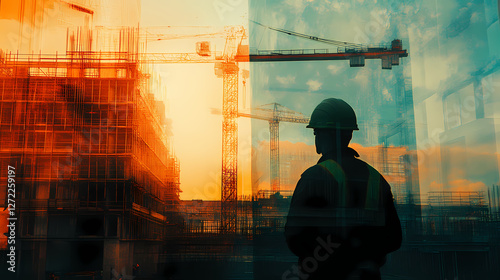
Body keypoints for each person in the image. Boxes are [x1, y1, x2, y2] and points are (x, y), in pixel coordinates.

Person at [284, 98, 402, 280]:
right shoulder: (376, 179)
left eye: (316, 132)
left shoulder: (314, 177)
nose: (315, 137)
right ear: (349, 135)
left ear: (324, 135)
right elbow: (394, 239)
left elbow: (295, 238)